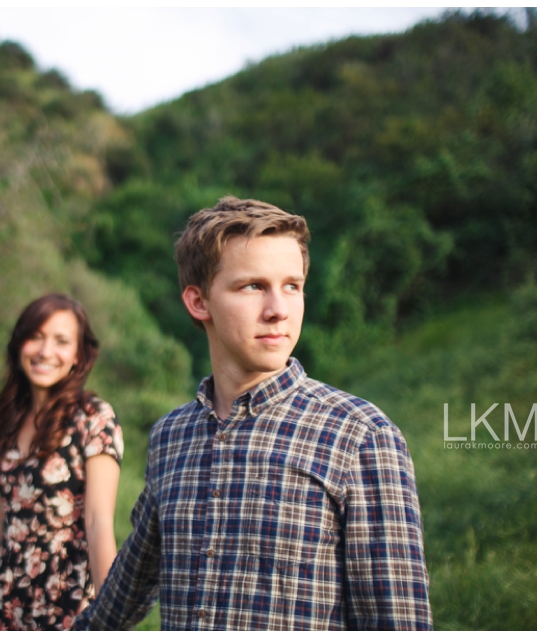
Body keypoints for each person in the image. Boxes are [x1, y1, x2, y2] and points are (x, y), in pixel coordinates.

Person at [73, 196, 432, 630]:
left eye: (292, 286)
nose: (278, 309)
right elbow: (123, 594)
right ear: (198, 302)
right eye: (253, 286)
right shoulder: (171, 437)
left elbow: (398, 622)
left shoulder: (360, 436)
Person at [0, 293, 124, 631]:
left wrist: (113, 621)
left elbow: (97, 524)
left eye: (61, 341)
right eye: (36, 336)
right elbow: (0, 525)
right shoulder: (13, 417)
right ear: (20, 343)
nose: (45, 351)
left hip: (63, 601)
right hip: (0, 601)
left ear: (78, 356)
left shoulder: (93, 418)